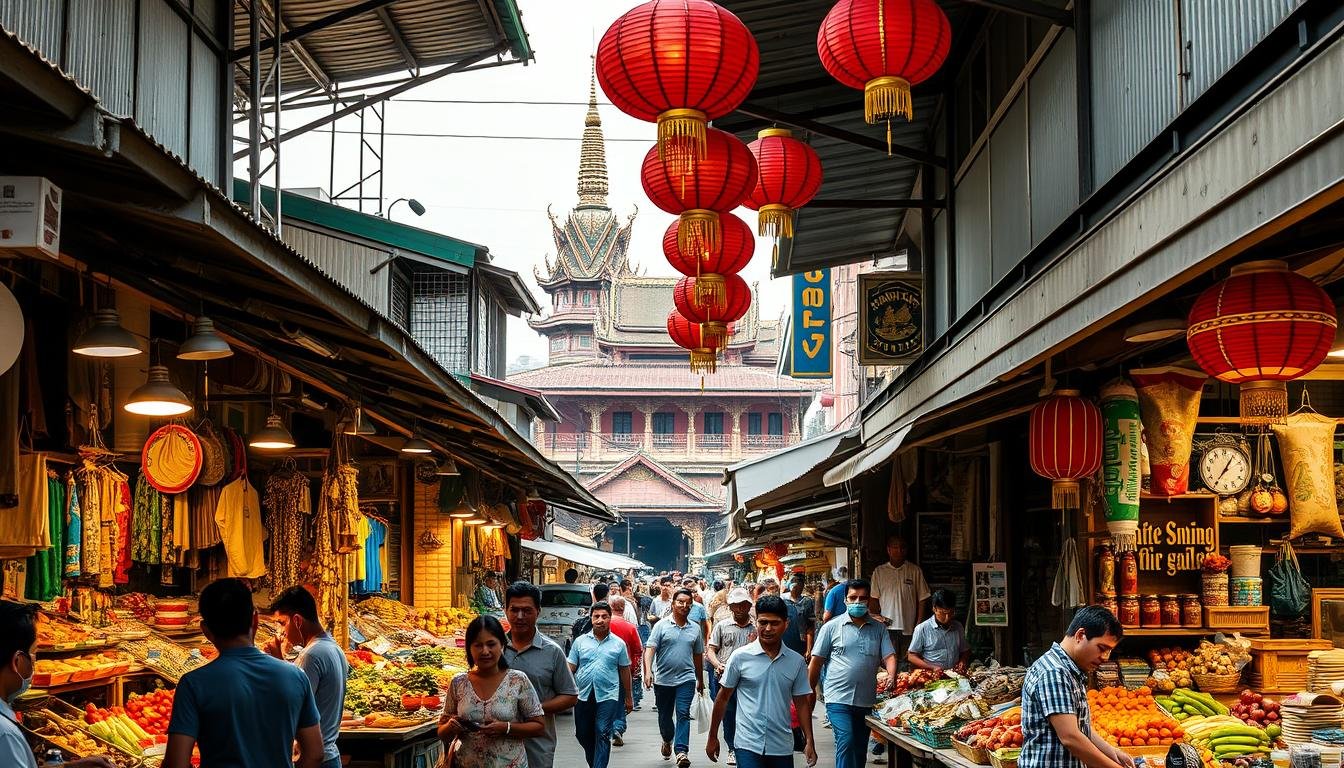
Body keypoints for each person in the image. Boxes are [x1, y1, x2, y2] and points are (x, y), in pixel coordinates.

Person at [165, 578, 323, 768]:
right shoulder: (295, 677)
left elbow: (176, 763)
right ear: (255, 620)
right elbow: (315, 754)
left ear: (205, 630)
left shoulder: (193, 684)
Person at [0, 600, 116, 768]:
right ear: (17, 661)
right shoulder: (6, 736)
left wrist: (70, 766)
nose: (35, 662)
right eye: (34, 654)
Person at [707, 595, 817, 768]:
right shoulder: (740, 657)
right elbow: (723, 698)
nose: (767, 628)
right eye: (763, 622)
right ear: (756, 622)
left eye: (774, 623)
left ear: (786, 624)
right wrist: (713, 736)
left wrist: (809, 740)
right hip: (747, 744)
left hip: (782, 746)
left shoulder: (796, 662)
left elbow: (802, 703)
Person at [1020, 606, 1131, 768]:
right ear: (1080, 635)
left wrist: (1112, 752)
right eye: (1102, 648)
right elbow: (1070, 737)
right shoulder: (1055, 672)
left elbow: (1079, 727)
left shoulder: (1070, 669)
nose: (1105, 657)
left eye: (1109, 651)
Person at [808, 579, 897, 768]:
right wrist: (808, 694)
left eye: (862, 598)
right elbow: (816, 663)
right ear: (845, 600)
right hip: (837, 698)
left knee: (859, 749)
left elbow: (889, 656)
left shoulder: (879, 628)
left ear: (869, 601)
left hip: (866, 700)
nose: (857, 602)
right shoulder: (831, 627)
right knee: (846, 740)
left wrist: (891, 674)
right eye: (853, 598)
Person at [439, 616, 546, 768]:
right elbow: (442, 731)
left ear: (502, 645)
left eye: (491, 644)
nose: (485, 651)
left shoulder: (517, 680)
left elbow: (539, 726)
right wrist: (451, 726)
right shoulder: (458, 683)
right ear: (469, 648)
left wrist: (507, 728)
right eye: (478, 645)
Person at [266, 586, 350, 768]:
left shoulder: (311, 655)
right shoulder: (333, 648)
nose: (281, 632)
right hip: (330, 755)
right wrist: (279, 660)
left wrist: (275, 665)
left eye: (282, 623)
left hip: (314, 759)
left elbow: (292, 707)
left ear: (296, 620)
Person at [504, 581, 580, 768]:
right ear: (506, 610)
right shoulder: (493, 649)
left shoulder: (552, 651)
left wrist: (533, 710)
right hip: (497, 745)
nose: (520, 616)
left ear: (538, 611)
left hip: (536, 746)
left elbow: (570, 696)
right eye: (514, 610)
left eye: (527, 610)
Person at [645, 588, 706, 768]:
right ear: (673, 604)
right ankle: (667, 739)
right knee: (665, 717)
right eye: (680, 602)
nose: (684, 605)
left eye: (688, 603)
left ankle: (681, 751)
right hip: (663, 679)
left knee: (683, 713)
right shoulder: (661, 626)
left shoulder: (695, 628)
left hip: (686, 679)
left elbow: (697, 656)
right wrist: (648, 671)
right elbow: (650, 650)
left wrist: (700, 679)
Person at [568, 602, 634, 768]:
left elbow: (625, 671)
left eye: (604, 616)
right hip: (583, 694)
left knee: (603, 731)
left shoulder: (618, 644)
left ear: (610, 618)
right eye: (596, 616)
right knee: (582, 734)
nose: (600, 620)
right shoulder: (580, 642)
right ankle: (595, 763)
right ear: (591, 619)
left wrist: (628, 697)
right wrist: (564, 692)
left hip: (608, 694)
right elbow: (570, 668)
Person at [707, 588, 756, 765]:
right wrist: (717, 664)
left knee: (746, 713)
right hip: (724, 677)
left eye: (744, 605)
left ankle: (746, 746)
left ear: (749, 606)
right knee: (728, 714)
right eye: (736, 605)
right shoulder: (722, 626)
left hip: (749, 679)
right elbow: (711, 650)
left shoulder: (756, 628)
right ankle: (732, 747)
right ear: (730, 607)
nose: (740, 609)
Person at [869, 534, 931, 666]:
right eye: (895, 547)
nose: (899, 550)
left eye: (902, 547)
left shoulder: (914, 570)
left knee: (909, 663)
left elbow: (923, 598)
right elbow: (873, 600)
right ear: (888, 550)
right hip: (887, 629)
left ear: (906, 550)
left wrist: (919, 625)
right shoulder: (879, 572)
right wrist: (876, 619)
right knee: (888, 663)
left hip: (909, 628)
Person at [907, 590, 970, 675]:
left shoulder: (958, 627)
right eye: (943, 613)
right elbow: (911, 656)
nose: (947, 618)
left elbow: (965, 650)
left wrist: (963, 661)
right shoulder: (922, 629)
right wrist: (932, 667)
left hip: (954, 675)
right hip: (932, 675)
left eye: (951, 613)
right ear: (934, 609)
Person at [607, 594, 645, 730]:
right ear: (624, 608)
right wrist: (634, 669)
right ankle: (618, 726)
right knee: (621, 697)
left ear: (610, 607)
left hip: (606, 667)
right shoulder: (630, 627)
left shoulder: (605, 624)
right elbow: (637, 651)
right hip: (625, 668)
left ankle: (612, 725)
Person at [783, 576, 814, 660]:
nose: (796, 590)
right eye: (794, 587)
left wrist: (809, 649)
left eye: (799, 588)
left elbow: (810, 627)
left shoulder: (807, 602)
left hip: (801, 642)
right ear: (790, 587)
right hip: (785, 640)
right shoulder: (782, 600)